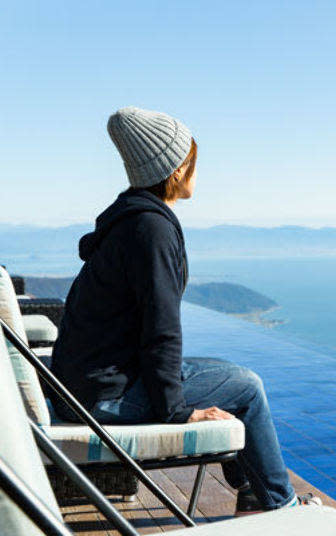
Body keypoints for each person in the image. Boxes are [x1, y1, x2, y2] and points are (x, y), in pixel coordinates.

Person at [50, 106, 317, 515]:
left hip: (83, 387)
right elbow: (160, 330)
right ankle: (279, 507)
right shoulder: (152, 230)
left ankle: (250, 491)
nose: (195, 172)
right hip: (104, 397)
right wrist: (178, 411)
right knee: (247, 388)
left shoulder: (128, 222)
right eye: (192, 162)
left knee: (224, 372)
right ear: (175, 170)